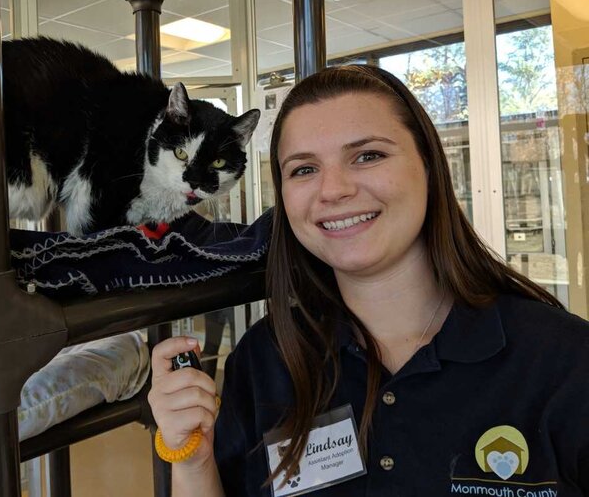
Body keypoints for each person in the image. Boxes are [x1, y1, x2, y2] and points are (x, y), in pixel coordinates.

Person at [148, 65, 589, 497]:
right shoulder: (264, 362)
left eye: (368, 156)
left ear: (430, 167)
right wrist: (193, 460)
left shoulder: (562, 360)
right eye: (303, 169)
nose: (333, 190)